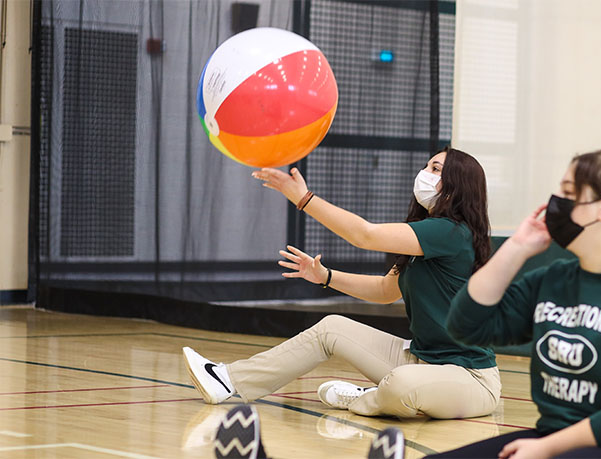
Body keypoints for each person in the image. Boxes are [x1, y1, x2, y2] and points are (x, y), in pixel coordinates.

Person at [183, 146, 501, 420]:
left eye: (435, 168)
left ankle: (367, 399)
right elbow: (383, 291)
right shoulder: (424, 234)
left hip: (470, 378)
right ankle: (227, 379)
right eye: (426, 166)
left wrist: (304, 199)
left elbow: (365, 235)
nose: (425, 173)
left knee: (401, 385)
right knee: (331, 328)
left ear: (457, 185)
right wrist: (326, 277)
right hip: (419, 358)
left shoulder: (451, 233)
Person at [433, 150, 601, 458]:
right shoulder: (555, 279)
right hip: (558, 438)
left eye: (570, 193)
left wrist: (546, 448)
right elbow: (465, 325)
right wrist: (516, 248)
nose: (555, 202)